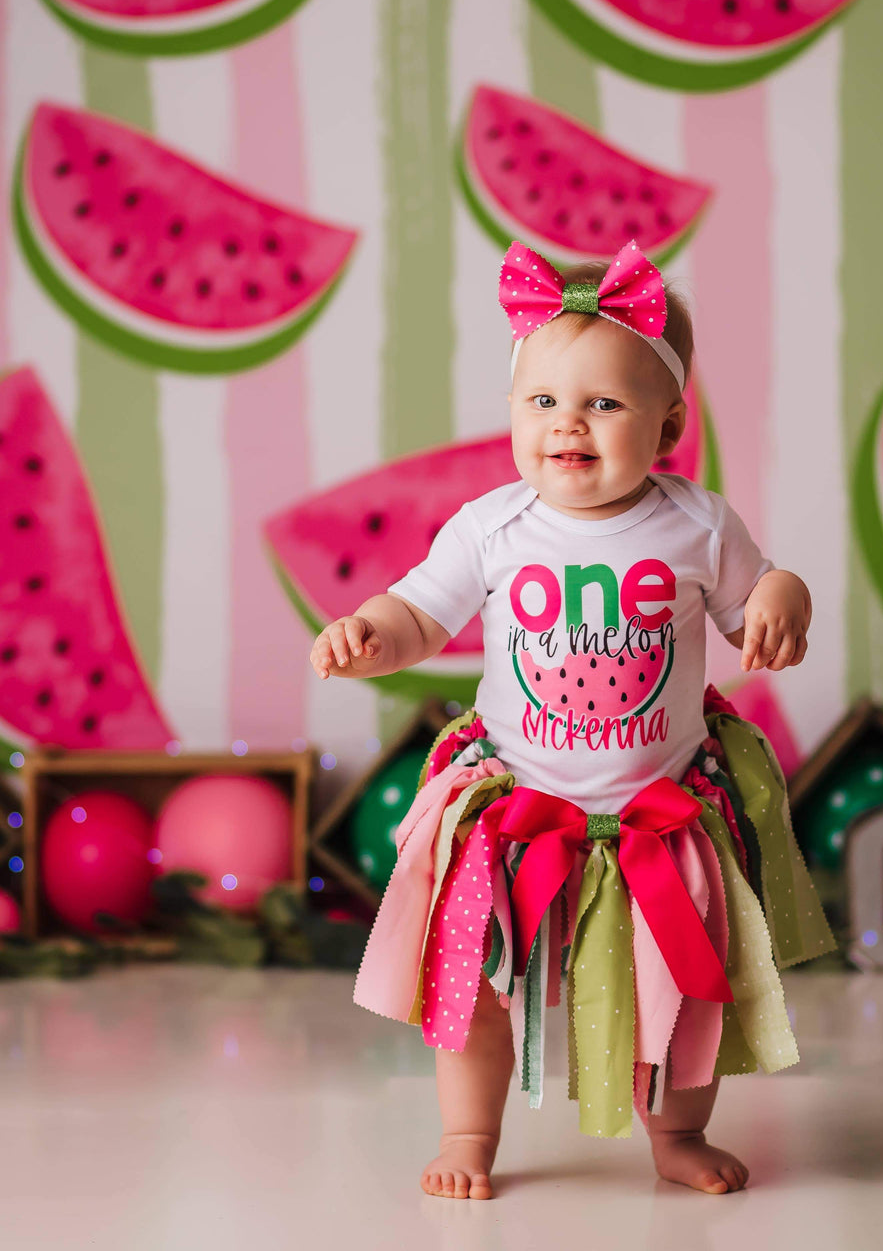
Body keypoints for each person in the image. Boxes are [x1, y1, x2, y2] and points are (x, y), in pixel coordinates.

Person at [310, 239, 834, 1200]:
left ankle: (677, 1136)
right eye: (544, 402)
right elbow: (420, 611)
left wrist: (784, 597)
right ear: (512, 412)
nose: (569, 425)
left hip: (656, 814)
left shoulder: (699, 525)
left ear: (668, 422)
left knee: (678, 990)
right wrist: (368, 635)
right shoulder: (491, 526)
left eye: (605, 403)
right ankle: (470, 1129)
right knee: (468, 987)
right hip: (517, 810)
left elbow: (759, 589)